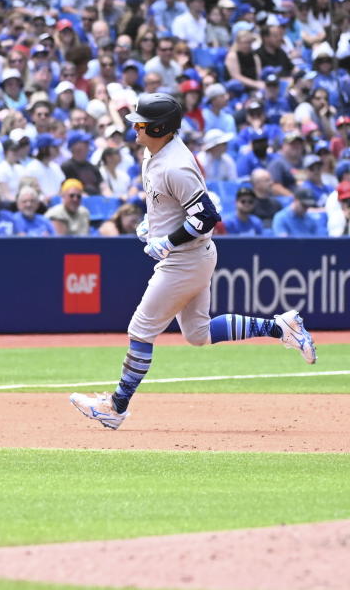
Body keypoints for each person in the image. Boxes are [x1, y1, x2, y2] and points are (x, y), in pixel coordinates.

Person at [70, 93, 317, 431]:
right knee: (198, 333)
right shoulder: (154, 151)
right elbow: (169, 204)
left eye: (140, 124)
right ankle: (281, 327)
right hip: (192, 256)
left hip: (184, 260)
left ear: (159, 128)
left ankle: (116, 407)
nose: (135, 129)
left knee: (141, 330)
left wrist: (166, 241)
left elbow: (207, 216)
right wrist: (153, 223)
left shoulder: (176, 165)